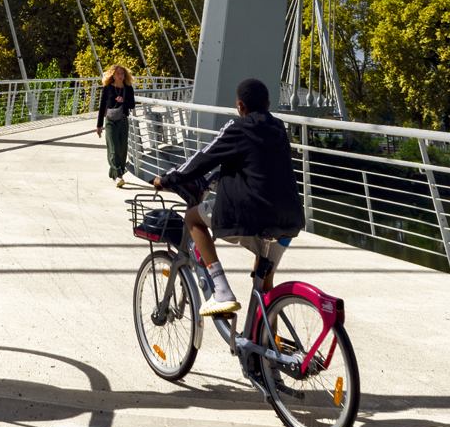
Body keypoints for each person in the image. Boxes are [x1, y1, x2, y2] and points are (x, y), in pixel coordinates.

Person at [152, 77, 304, 316]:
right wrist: (214, 179)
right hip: (290, 219)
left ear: (240, 106)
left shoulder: (237, 127)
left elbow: (203, 158)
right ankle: (265, 348)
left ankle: (221, 290)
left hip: (250, 215)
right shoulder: (279, 129)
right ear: (268, 104)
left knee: (193, 218)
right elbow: (254, 167)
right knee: (264, 288)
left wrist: (167, 179)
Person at [96, 63, 137, 188]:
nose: (121, 76)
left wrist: (124, 101)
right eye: (118, 74)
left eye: (122, 74)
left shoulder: (128, 88)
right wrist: (99, 125)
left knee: (122, 149)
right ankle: (118, 175)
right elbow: (102, 106)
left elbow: (132, 105)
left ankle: (114, 173)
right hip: (110, 121)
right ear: (113, 75)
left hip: (123, 120)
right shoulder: (107, 88)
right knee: (113, 148)